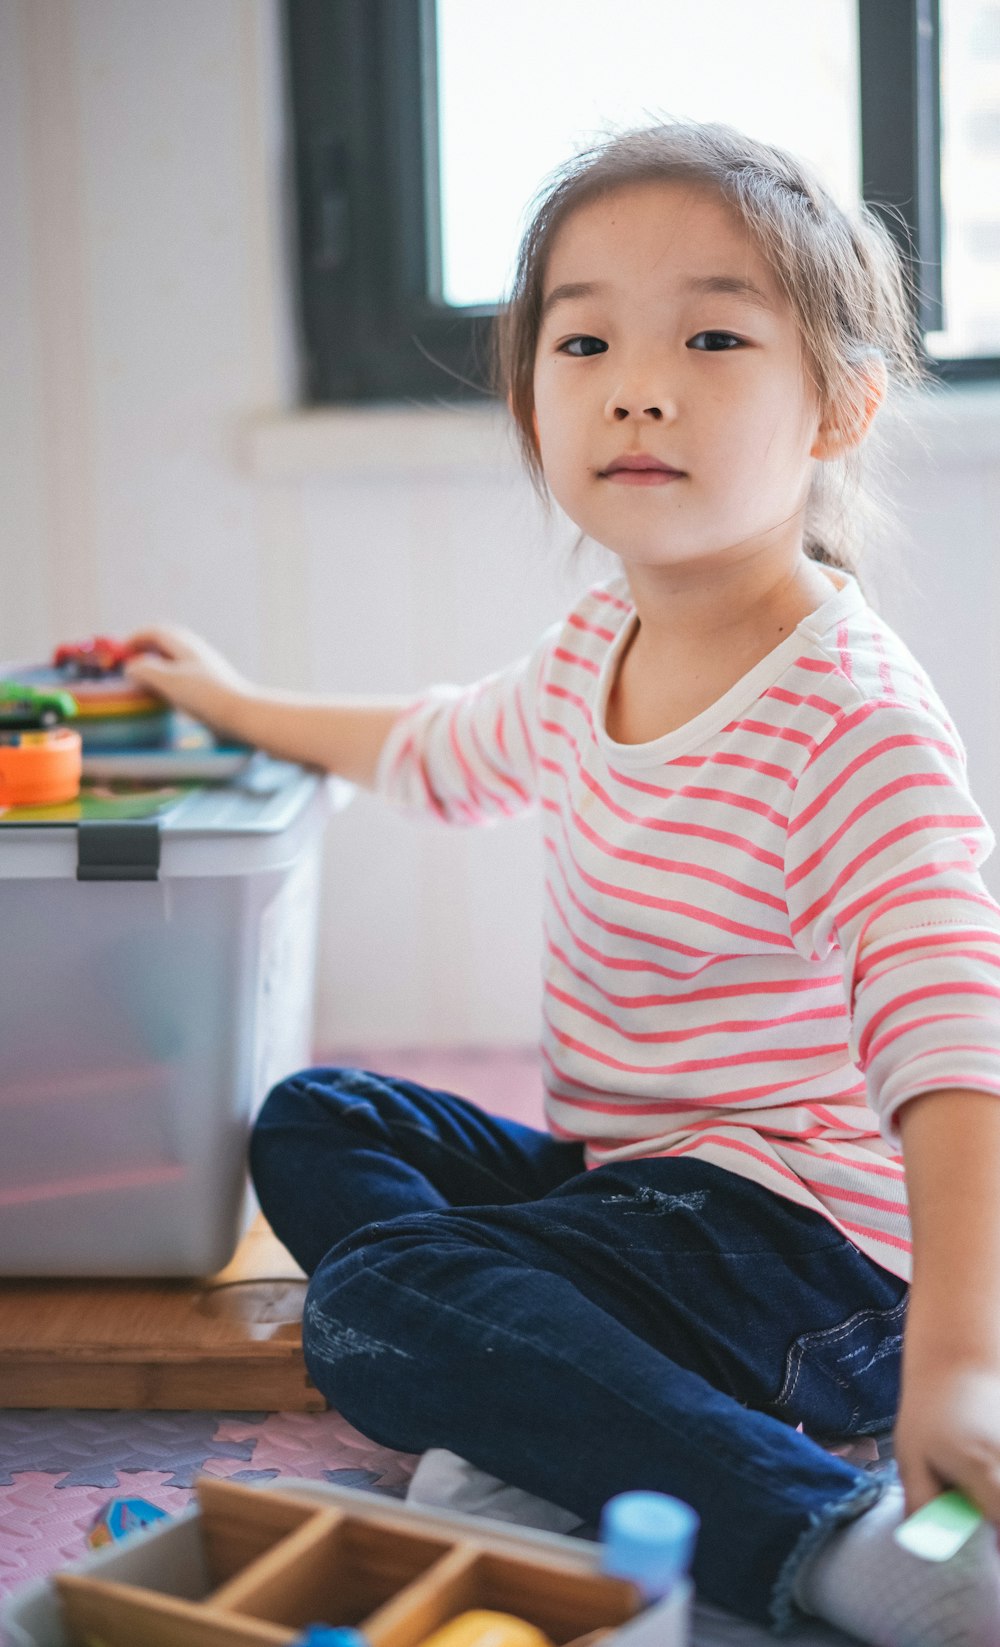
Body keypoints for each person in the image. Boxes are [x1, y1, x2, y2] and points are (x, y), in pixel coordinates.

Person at [125, 122, 1000, 1643]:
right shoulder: (603, 644)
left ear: (843, 404)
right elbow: (438, 749)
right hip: (652, 1184)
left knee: (381, 1302)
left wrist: (957, 1357)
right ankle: (565, 1389)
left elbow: (955, 1036)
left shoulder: (848, 717)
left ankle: (831, 1542)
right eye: (583, 337)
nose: (636, 383)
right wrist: (237, 702)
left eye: (713, 335)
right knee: (317, 1119)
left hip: (822, 1256)